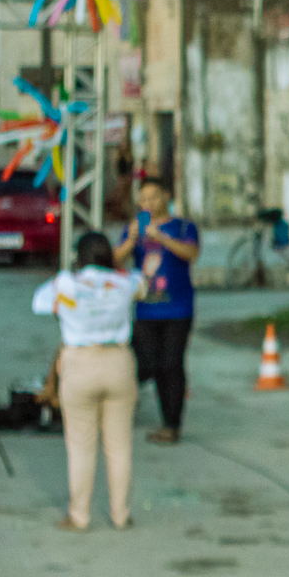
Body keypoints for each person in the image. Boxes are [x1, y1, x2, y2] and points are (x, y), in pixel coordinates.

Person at [33, 232, 146, 531]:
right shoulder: (124, 282)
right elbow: (143, 286)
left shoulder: (66, 283)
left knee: (81, 446)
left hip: (79, 364)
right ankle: (120, 515)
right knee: (119, 446)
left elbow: (39, 302)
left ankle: (79, 515)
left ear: (78, 257)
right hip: (119, 363)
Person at [113, 175, 199, 446]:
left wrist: (161, 237)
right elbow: (115, 261)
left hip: (178, 308)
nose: (148, 203)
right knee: (147, 364)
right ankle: (127, 405)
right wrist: (131, 240)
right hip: (145, 309)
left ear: (166, 197)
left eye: (153, 197)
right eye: (143, 199)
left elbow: (191, 254)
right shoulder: (134, 228)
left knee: (172, 364)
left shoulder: (183, 226)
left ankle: (171, 424)